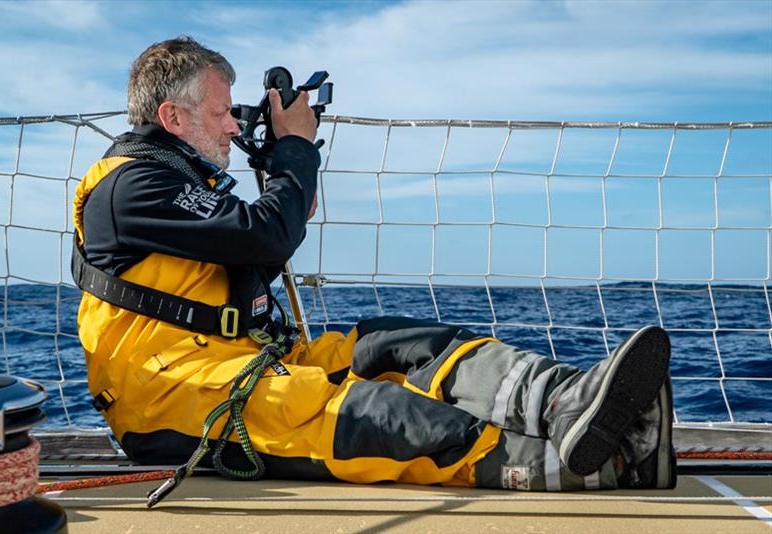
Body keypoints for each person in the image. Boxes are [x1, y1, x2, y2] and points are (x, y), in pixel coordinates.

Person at [73, 36, 676, 492]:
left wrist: (288, 160)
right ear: (172, 118)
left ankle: (564, 401)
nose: (234, 126)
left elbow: (270, 230)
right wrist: (293, 149)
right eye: (221, 113)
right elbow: (265, 237)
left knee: (401, 343)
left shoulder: (185, 184)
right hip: (171, 399)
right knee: (377, 414)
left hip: (240, 363)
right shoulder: (132, 189)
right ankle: (593, 467)